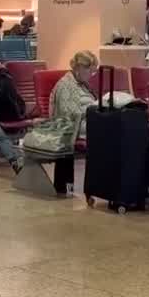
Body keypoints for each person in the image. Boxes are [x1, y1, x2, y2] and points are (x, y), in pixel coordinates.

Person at [48, 51, 99, 195]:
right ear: (80, 68)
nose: (92, 75)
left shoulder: (81, 83)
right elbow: (67, 116)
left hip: (88, 122)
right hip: (75, 128)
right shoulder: (66, 86)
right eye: (90, 71)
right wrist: (91, 111)